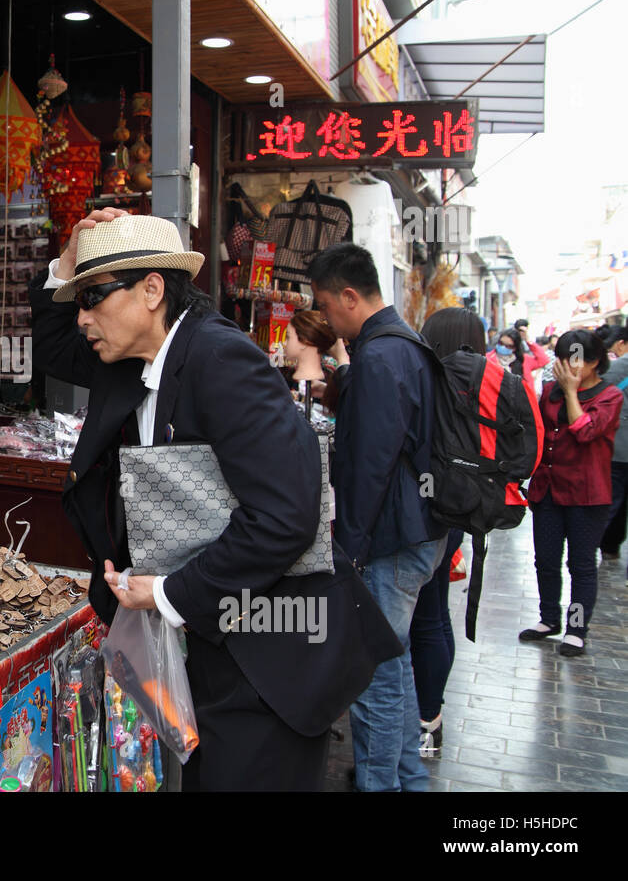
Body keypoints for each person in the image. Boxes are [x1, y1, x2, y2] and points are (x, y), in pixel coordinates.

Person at [30, 209, 399, 791]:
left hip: (268, 659)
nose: (82, 316)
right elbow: (53, 341)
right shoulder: (132, 361)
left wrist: (171, 594)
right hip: (210, 649)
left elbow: (286, 517)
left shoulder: (219, 358)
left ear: (153, 290)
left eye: (94, 295)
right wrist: (71, 260)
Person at [307, 243, 446, 792]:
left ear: (348, 296)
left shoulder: (381, 357)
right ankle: (408, 778)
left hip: (392, 537)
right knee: (397, 660)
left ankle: (381, 784)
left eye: (324, 304)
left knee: (377, 674)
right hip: (418, 530)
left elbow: (368, 466)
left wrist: (350, 550)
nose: (324, 317)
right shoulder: (403, 343)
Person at [409, 307, 485, 758]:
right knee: (437, 615)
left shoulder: (440, 382)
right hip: (459, 510)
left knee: (426, 618)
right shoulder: (480, 383)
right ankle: (431, 716)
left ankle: (424, 719)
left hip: (431, 511)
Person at [520, 330, 623, 656]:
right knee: (546, 560)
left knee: (581, 565)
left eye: (575, 361)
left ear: (594, 363)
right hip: (548, 489)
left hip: (586, 495)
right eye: (563, 360)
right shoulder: (549, 391)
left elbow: (585, 430)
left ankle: (577, 628)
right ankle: (549, 618)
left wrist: (570, 392)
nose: (567, 367)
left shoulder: (610, 396)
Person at [598, 327, 628, 569]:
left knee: (612, 499)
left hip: (615, 447)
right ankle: (611, 546)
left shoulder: (615, 368)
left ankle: (600, 545)